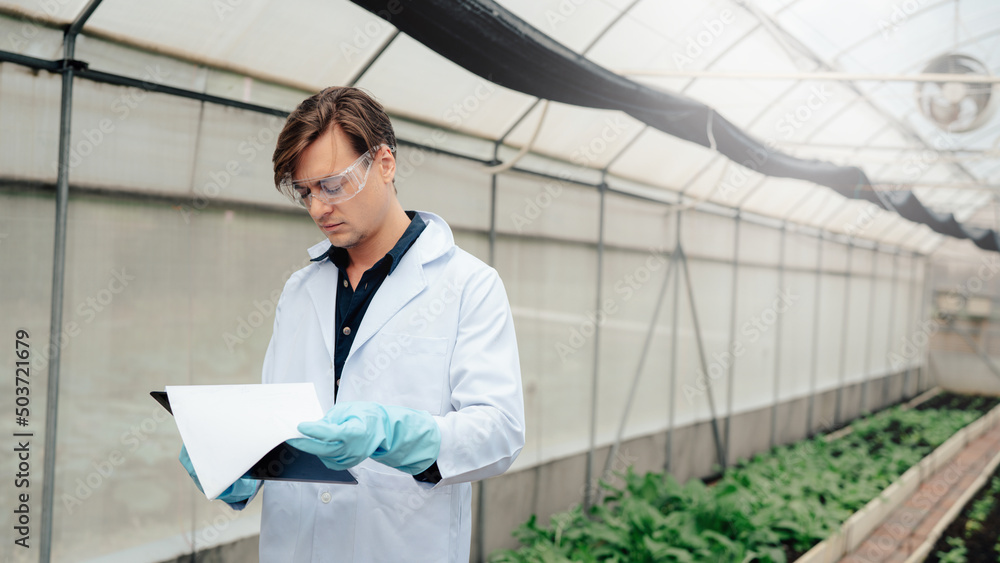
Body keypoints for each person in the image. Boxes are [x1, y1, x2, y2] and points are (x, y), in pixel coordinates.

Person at [179, 87, 525, 562]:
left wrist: (395, 433)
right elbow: (277, 421)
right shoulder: (299, 291)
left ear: (384, 163)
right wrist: (236, 463)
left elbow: (500, 432)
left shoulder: (468, 285)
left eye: (332, 185)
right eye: (305, 192)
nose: (319, 208)